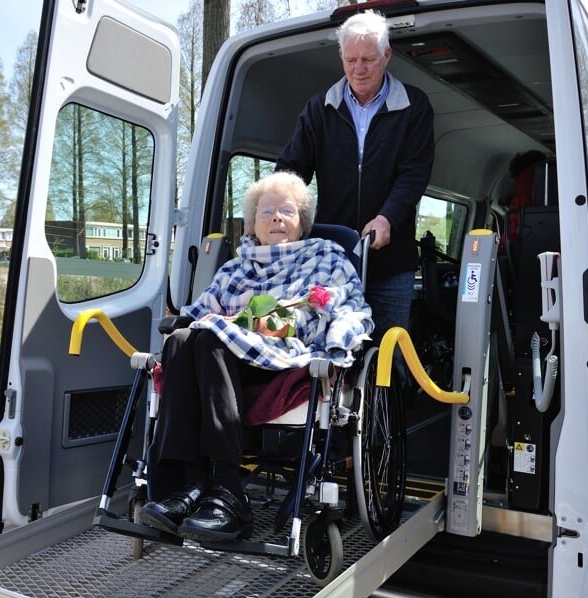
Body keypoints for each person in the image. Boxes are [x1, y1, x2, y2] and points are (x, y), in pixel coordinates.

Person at [140, 171, 373, 542]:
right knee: (184, 339)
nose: (276, 218)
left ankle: (229, 491)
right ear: (251, 223)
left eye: (287, 210)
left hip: (284, 358)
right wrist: (190, 323)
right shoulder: (235, 267)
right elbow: (200, 310)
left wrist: (309, 331)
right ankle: (193, 487)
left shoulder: (326, 255)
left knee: (209, 338)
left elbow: (345, 307)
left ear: (302, 222)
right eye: (267, 212)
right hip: (224, 358)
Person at [275, 9, 434, 343]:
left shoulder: (414, 107)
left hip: (393, 264)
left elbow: (413, 173)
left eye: (368, 60)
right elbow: (292, 169)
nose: (359, 69)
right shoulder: (319, 109)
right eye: (351, 60)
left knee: (390, 357)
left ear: (387, 55)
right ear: (340, 57)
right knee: (331, 351)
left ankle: (392, 396)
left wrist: (387, 218)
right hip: (334, 261)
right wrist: (276, 209)